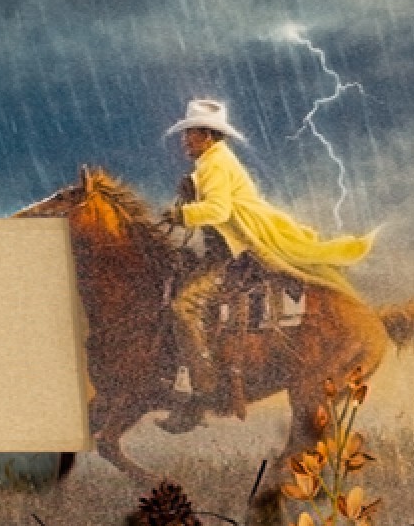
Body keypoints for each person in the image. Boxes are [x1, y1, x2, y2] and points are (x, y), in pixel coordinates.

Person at [160, 97, 375, 431]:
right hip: (225, 245)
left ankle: (200, 387)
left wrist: (180, 214)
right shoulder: (213, 161)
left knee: (183, 307)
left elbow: (218, 210)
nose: (185, 140)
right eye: (186, 134)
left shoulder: (214, 164)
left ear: (207, 135)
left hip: (232, 251)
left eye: (190, 133)